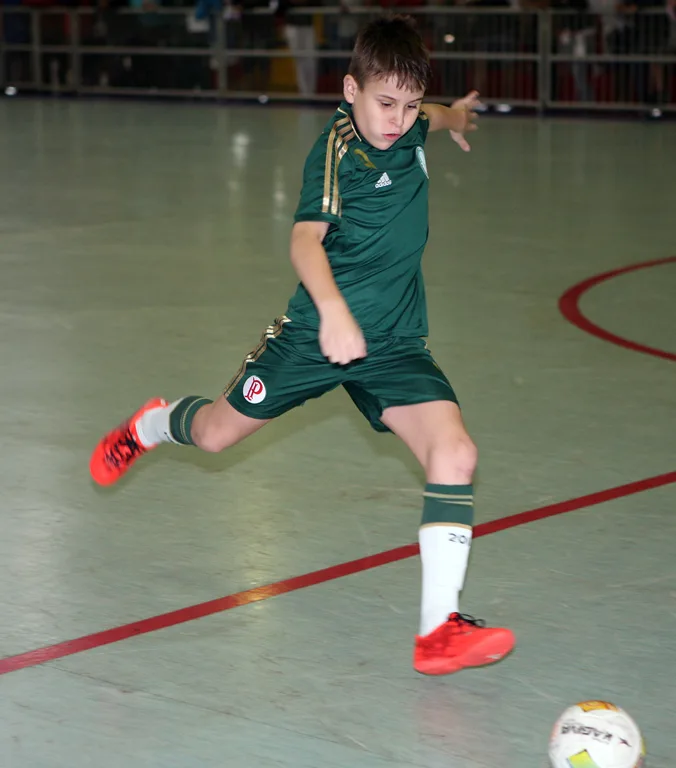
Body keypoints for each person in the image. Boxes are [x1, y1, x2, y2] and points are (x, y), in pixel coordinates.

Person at [90, 14, 516, 677]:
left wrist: (455, 118)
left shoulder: (411, 123)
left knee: (455, 451)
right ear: (350, 89)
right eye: (384, 104)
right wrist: (334, 311)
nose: (398, 120)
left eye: (407, 105)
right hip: (317, 336)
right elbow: (303, 241)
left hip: (396, 343)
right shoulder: (336, 151)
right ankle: (147, 425)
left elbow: (431, 112)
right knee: (215, 435)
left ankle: (438, 631)